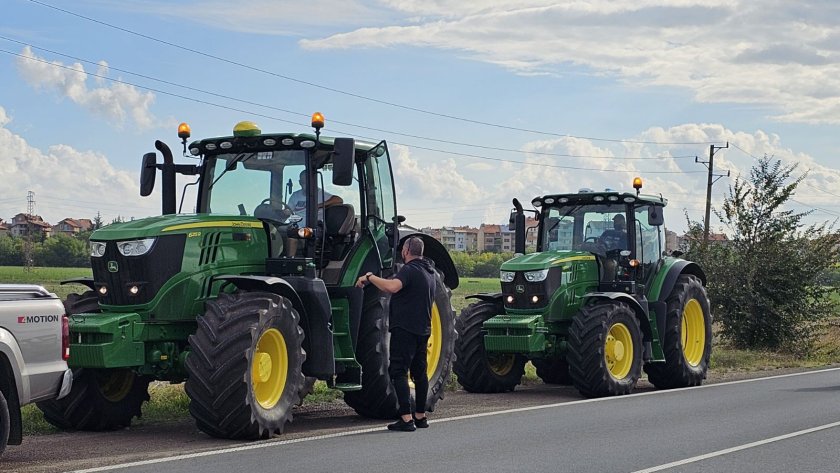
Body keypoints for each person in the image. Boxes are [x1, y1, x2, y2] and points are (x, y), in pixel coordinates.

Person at [355, 237, 436, 432]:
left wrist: (369, 277)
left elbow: (392, 287)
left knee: (398, 372)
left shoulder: (410, 269)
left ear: (406, 251)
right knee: (419, 373)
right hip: (423, 330)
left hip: (405, 329)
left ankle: (406, 419)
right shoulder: (430, 272)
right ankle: (421, 416)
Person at [285, 169, 343, 256]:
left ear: (312, 181)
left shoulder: (319, 193)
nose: (304, 184)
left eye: (306, 181)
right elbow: (289, 211)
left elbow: (339, 199)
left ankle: (289, 261)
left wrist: (318, 205)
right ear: (300, 182)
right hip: (296, 225)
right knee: (276, 231)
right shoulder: (295, 195)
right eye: (302, 181)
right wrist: (283, 212)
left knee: (293, 234)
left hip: (314, 228)